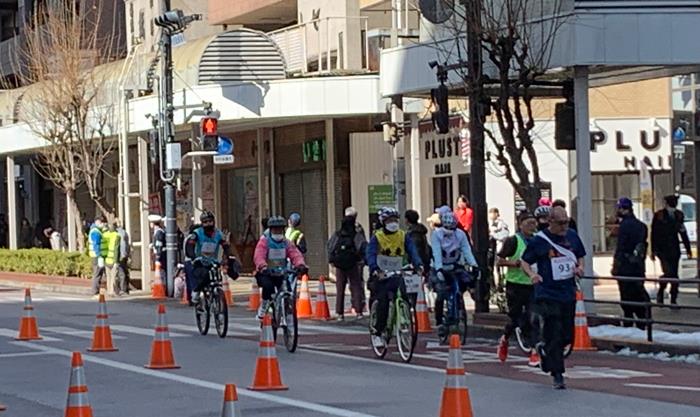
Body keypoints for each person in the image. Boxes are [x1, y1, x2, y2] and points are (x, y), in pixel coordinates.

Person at [521, 206, 586, 390]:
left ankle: (545, 353)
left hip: (568, 291)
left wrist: (580, 268)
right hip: (548, 293)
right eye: (560, 223)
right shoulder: (539, 241)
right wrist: (532, 275)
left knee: (567, 335)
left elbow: (580, 256)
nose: (564, 226)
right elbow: (525, 261)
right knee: (554, 331)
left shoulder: (572, 236)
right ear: (550, 222)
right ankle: (558, 374)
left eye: (566, 222)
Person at [365, 207, 424, 348]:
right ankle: (378, 332)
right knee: (383, 301)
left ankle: (404, 317)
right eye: (390, 220)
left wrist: (418, 265)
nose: (393, 223)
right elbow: (370, 254)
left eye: (395, 220)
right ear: (384, 222)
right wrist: (374, 269)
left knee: (405, 295)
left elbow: (412, 251)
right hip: (383, 274)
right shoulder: (377, 237)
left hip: (399, 271)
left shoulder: (403, 236)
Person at [496, 212, 538, 364]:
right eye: (528, 224)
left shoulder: (537, 240)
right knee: (515, 317)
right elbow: (499, 260)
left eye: (533, 223)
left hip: (533, 285)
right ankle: (505, 338)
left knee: (533, 317)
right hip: (515, 284)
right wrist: (514, 264)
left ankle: (534, 350)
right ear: (520, 225)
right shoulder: (513, 241)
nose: (531, 227)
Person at [430, 211, 477, 335]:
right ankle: (439, 322)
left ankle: (458, 309)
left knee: (460, 287)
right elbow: (436, 252)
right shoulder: (436, 235)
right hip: (439, 266)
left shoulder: (460, 234)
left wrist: (473, 265)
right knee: (441, 293)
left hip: (455, 265)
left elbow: (466, 250)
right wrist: (439, 268)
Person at [253, 215, 307, 319]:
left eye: (280, 229)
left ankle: (286, 310)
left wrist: (300, 265)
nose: (277, 232)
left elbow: (295, 254)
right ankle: (264, 306)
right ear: (270, 230)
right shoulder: (264, 242)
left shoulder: (286, 243)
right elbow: (259, 255)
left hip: (281, 272)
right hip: (267, 273)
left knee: (287, 288)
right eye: (275, 229)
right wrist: (263, 266)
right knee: (268, 287)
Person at [184, 211, 239, 303]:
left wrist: (229, 256)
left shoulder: (218, 234)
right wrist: (193, 257)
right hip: (199, 261)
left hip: (213, 261)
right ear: (202, 223)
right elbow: (190, 246)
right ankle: (196, 291)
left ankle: (217, 296)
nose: (208, 224)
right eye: (205, 222)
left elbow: (225, 246)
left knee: (217, 277)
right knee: (203, 276)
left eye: (210, 221)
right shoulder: (197, 233)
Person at [612, 198, 650, 329]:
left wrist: (615, 265)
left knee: (626, 294)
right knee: (638, 291)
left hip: (625, 265)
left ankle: (629, 321)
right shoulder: (641, 226)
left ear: (622, 209)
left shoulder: (624, 226)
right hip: (638, 265)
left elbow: (620, 247)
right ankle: (642, 319)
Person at [651, 195, 692, 307]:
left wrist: (688, 248)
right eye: (671, 204)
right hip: (662, 250)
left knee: (674, 274)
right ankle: (663, 293)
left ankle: (673, 296)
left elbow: (683, 233)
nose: (673, 206)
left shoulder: (679, 215)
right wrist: (653, 250)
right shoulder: (659, 216)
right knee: (669, 273)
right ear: (667, 204)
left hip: (674, 249)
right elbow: (654, 234)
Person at [328, 213, 367, 321]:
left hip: (340, 265)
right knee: (356, 287)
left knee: (340, 288)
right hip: (353, 263)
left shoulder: (338, 234)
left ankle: (340, 313)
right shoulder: (355, 235)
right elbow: (362, 246)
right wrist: (362, 259)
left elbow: (330, 246)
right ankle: (359, 311)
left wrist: (331, 259)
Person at [88, 216, 108, 296]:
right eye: (102, 223)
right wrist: (99, 255)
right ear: (98, 222)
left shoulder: (97, 230)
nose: (103, 224)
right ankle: (95, 291)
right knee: (97, 274)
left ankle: (96, 290)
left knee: (98, 273)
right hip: (97, 256)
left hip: (97, 256)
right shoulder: (96, 232)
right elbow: (96, 244)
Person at [102, 222, 122, 295]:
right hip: (113, 259)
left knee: (108, 276)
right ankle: (112, 291)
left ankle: (109, 291)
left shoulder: (105, 235)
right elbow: (116, 249)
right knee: (113, 276)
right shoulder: (117, 236)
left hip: (106, 259)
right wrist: (116, 261)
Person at [115, 220, 131, 295]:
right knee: (124, 272)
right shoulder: (124, 232)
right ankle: (125, 289)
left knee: (121, 273)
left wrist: (123, 255)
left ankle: (122, 289)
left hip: (120, 255)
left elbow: (123, 245)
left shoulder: (119, 233)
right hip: (123, 255)